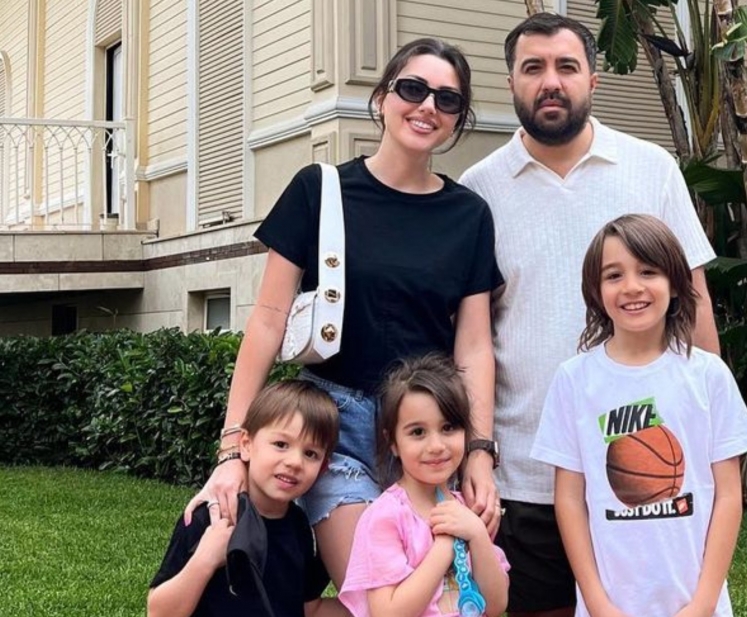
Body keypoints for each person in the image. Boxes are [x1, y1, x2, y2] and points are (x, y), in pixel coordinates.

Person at [184, 38, 504, 617]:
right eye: (413, 88)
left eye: (447, 99)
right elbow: (267, 320)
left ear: (459, 118)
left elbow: (474, 345)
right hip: (336, 432)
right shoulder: (320, 190)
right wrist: (233, 446)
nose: (427, 106)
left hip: (427, 433)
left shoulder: (469, 215)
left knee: (444, 600)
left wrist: (478, 450)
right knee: (382, 605)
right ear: (382, 97)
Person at [459, 12, 718, 617]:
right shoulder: (478, 190)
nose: (550, 81)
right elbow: (471, 337)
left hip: (644, 467)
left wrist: (709, 431)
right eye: (533, 68)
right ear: (512, 82)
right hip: (525, 472)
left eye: (566, 67)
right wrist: (478, 450)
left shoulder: (651, 167)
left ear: (592, 80)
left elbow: (694, 302)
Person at [531, 214, 747, 617]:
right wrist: (597, 603)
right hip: (611, 605)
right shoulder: (574, 380)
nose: (632, 287)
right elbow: (568, 500)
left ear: (674, 283)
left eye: (648, 271)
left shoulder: (708, 376)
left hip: (694, 602)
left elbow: (728, 496)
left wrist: (703, 602)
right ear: (595, 290)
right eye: (614, 275)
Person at [149, 380, 341, 617]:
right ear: (246, 445)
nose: (294, 462)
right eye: (281, 444)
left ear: (323, 468)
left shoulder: (299, 525)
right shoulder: (211, 516)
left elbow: (308, 609)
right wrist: (204, 560)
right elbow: (158, 612)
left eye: (310, 454)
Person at [339, 353, 509, 617]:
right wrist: (444, 547)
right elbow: (388, 613)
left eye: (448, 427)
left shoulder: (467, 509)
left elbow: (496, 605)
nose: (436, 446)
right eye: (418, 432)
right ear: (393, 442)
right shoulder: (386, 517)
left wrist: (477, 534)